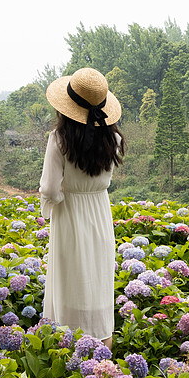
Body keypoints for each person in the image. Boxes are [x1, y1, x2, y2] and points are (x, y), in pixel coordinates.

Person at [39, 67, 125, 349]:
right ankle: (102, 362)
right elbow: (104, 181)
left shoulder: (60, 139)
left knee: (69, 284)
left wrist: (56, 203)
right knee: (97, 288)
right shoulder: (114, 139)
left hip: (70, 217)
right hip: (100, 216)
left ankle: (67, 360)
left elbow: (50, 189)